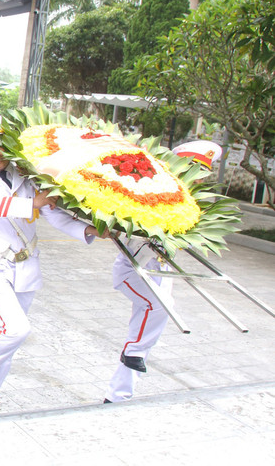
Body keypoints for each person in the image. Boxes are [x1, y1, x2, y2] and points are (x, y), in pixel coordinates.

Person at [0, 110, 108, 420]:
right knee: (16, 329)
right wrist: (34, 203)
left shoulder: (26, 175)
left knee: (8, 345)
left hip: (26, 267)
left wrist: (88, 229)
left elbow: (52, 213)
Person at [104, 140, 223, 404]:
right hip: (133, 267)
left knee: (146, 327)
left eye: (202, 172)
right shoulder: (149, 189)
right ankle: (132, 354)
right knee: (160, 308)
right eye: (191, 168)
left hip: (161, 269)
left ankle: (118, 396)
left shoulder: (193, 203)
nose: (197, 177)